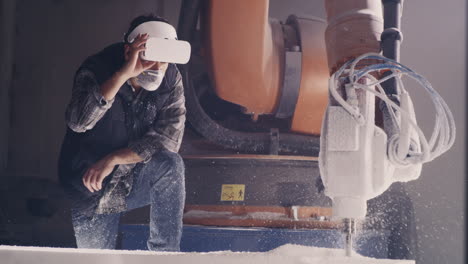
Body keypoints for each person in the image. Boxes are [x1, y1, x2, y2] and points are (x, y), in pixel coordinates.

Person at [57, 14, 189, 251]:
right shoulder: (97, 69)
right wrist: (122, 75)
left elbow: (168, 140)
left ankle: (165, 256)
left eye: (164, 61)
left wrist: (114, 158)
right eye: (152, 59)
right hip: (92, 187)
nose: (158, 67)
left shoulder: (171, 79)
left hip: (132, 178)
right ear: (129, 51)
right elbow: (78, 122)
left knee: (170, 164)